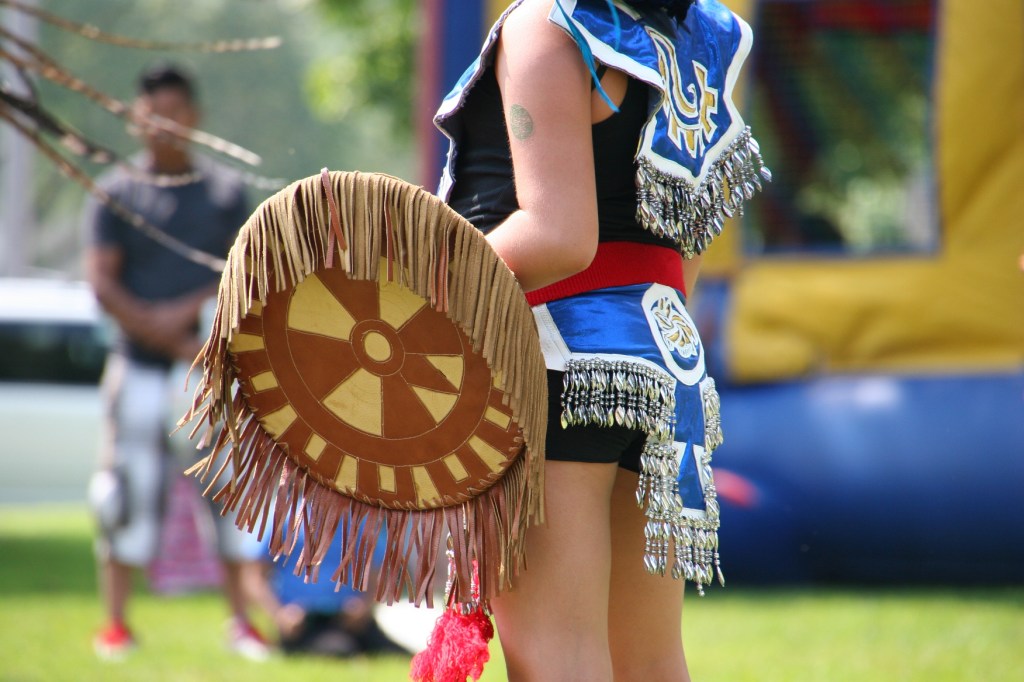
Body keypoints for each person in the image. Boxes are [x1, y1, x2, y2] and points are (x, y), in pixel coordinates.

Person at [434, 0, 769, 679]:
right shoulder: (701, 33)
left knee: (558, 656)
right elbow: (684, 241)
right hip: (666, 366)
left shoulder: (549, 23)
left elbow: (558, 234)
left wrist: (415, 290)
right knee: (648, 661)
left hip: (552, 354)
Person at [83, 63, 269, 661]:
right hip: (136, 366)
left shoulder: (222, 193)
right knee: (121, 492)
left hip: (207, 369)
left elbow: (239, 273)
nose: (164, 124)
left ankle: (242, 622)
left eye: (175, 112)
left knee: (231, 495)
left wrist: (188, 317)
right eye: (152, 112)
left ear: (194, 117)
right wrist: (162, 331)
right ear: (137, 118)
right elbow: (102, 284)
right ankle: (116, 625)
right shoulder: (114, 190)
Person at [243, 522, 413, 658]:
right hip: (302, 622)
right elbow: (254, 578)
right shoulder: (284, 516)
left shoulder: (359, 520)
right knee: (339, 651)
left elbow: (381, 575)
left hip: (349, 619)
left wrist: (364, 606)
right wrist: (279, 614)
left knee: (401, 655)